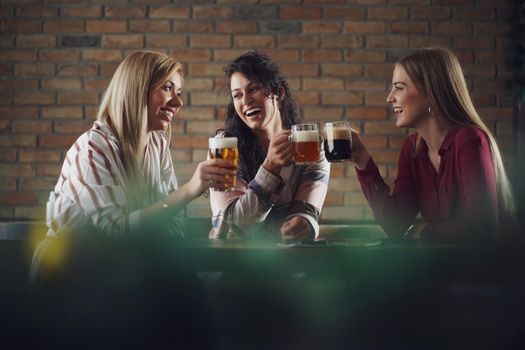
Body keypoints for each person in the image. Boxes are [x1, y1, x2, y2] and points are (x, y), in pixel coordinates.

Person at [27, 51, 234, 346]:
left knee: (198, 292)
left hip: (129, 270)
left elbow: (174, 224)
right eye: (167, 89)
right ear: (137, 89)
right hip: (74, 277)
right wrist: (190, 190)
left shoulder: (157, 145)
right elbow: (114, 230)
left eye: (179, 92)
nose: (178, 103)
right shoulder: (93, 147)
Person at [351, 47, 516, 243]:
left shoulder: (470, 140)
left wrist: (426, 231)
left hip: (496, 267)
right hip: (450, 268)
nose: (390, 97)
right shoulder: (412, 150)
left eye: (399, 87)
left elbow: (480, 228)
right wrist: (362, 160)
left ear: (430, 94)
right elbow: (395, 224)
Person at [209, 51, 330, 241]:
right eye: (237, 95)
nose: (246, 101)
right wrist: (271, 166)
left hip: (289, 262)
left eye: (254, 89)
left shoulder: (310, 145)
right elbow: (237, 224)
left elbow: (307, 211)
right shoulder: (224, 148)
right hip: (231, 261)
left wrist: (304, 224)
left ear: (278, 92)